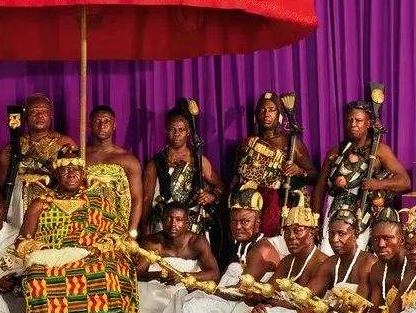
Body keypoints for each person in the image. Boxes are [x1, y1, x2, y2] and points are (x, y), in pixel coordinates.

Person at [18, 147, 138, 313]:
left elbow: (120, 235)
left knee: (104, 271)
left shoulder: (99, 203)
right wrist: (43, 251)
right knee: (35, 274)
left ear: (83, 174)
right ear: (56, 175)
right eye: (65, 170)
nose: (71, 174)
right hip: (52, 260)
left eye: (76, 169)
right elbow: (23, 240)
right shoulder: (40, 204)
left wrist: (108, 241)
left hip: (89, 257)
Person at [311, 99, 411, 253]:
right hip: (335, 214)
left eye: (358, 120)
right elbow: (320, 188)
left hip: (364, 215)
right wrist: (315, 220)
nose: (353, 124)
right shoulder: (335, 151)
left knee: (362, 257)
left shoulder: (380, 150)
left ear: (368, 123)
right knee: (331, 255)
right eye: (349, 120)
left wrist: (378, 184)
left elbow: (405, 181)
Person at [231, 92, 317, 236]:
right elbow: (235, 180)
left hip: (277, 207)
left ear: (279, 116)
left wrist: (299, 171)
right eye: (262, 110)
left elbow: (314, 176)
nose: (266, 114)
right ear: (256, 116)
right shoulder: (246, 144)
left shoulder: (291, 143)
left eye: (272, 110)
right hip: (248, 206)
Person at [141, 105, 223, 240]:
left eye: (181, 130)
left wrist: (212, 196)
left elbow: (219, 184)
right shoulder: (155, 163)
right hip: (164, 224)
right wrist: (145, 232)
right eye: (172, 129)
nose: (177, 134)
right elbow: (146, 200)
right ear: (166, 131)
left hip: (193, 225)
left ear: (188, 132)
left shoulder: (198, 160)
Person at [0, 93, 76, 227]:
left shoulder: (64, 143)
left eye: (44, 112)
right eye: (34, 112)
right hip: (19, 204)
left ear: (51, 115)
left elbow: (76, 179)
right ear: (26, 117)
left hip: (53, 203)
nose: (39, 116)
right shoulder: (13, 147)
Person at [84, 105, 143, 234]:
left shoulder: (128, 160)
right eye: (97, 121)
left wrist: (132, 232)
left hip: (117, 226)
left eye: (107, 121)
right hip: (85, 223)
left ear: (114, 125)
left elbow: (137, 198)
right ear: (90, 125)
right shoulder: (81, 156)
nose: (102, 126)